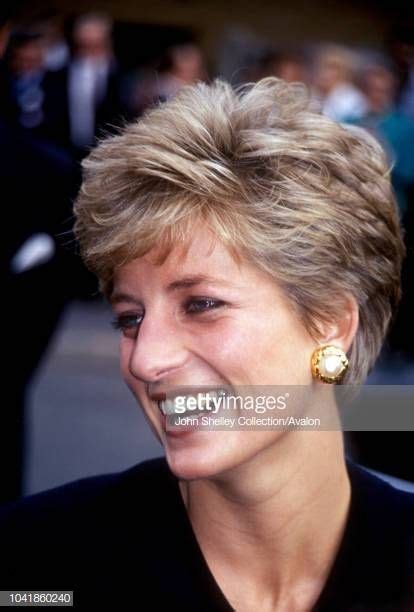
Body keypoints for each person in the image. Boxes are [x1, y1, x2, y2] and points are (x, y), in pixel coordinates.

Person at [0, 77, 413, 610]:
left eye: (201, 305)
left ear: (331, 322)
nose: (147, 360)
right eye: (130, 318)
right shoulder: (33, 569)